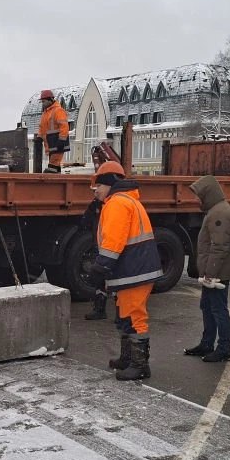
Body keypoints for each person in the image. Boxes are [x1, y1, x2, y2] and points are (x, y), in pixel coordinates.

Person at [85, 161, 163, 380]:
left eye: (97, 186)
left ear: (108, 184)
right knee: (125, 315)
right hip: (134, 269)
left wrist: (99, 268)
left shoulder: (117, 203)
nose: (96, 192)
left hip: (133, 271)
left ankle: (139, 365)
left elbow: (113, 242)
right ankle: (128, 358)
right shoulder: (128, 200)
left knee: (133, 316)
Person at [184, 175, 230, 362]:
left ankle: (223, 348)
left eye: (198, 195)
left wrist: (210, 272)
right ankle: (207, 344)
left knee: (218, 309)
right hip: (213, 272)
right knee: (208, 306)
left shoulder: (219, 213)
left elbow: (219, 246)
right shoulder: (216, 210)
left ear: (208, 194)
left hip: (217, 274)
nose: (196, 199)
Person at [80, 178, 107, 320]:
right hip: (101, 247)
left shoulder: (111, 205)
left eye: (97, 189)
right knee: (99, 279)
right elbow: (85, 221)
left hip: (109, 249)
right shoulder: (96, 205)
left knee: (112, 280)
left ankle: (119, 311)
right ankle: (100, 308)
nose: (95, 192)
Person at [36, 89, 69, 173]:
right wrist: (39, 137)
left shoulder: (58, 110)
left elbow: (64, 126)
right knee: (55, 168)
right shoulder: (45, 113)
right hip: (51, 145)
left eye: (44, 101)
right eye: (42, 101)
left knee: (51, 168)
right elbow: (41, 127)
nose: (43, 103)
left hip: (58, 144)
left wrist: (62, 140)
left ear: (50, 100)